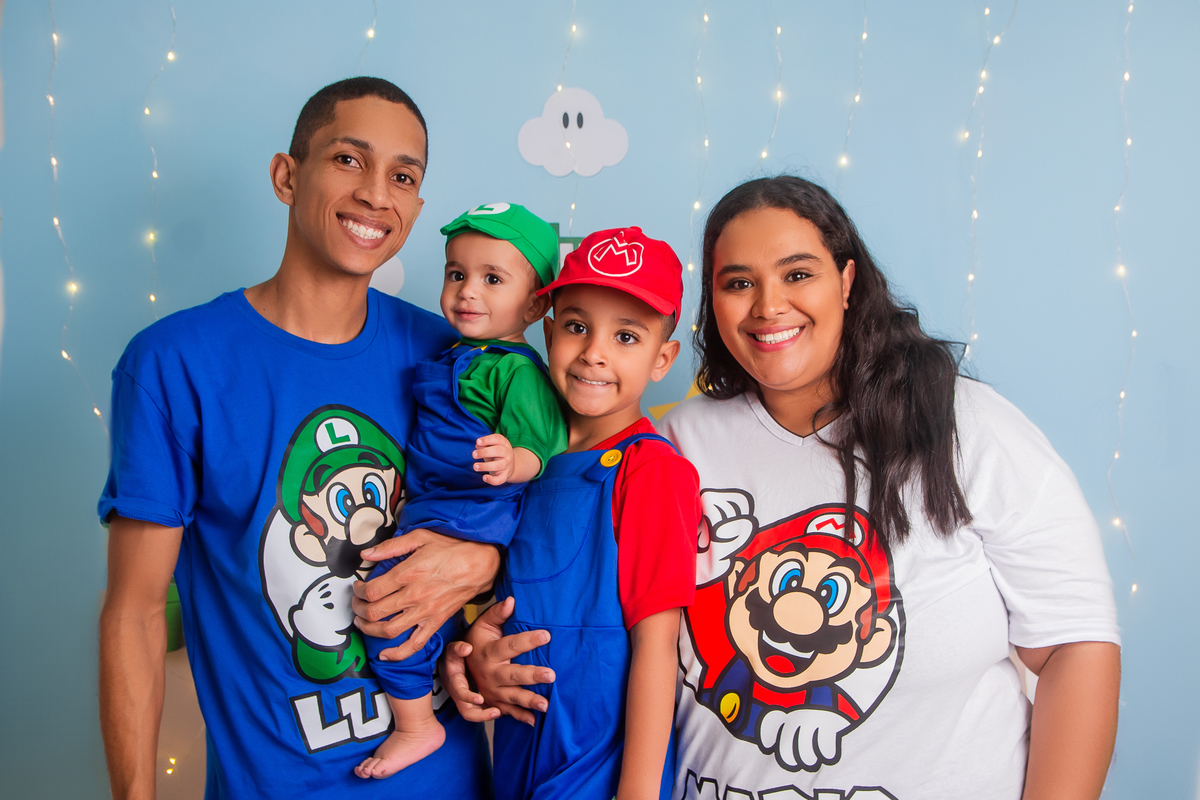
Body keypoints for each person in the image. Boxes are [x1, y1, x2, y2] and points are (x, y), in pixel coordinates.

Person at [445, 178, 1121, 800]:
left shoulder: (966, 426)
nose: (769, 306)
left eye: (798, 274)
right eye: (739, 282)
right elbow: (566, 594)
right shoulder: (671, 443)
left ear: (847, 280)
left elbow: (1075, 646)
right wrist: (480, 659)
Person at [97, 77, 497, 799]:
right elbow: (134, 612)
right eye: (349, 159)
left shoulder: (452, 357)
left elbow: (522, 510)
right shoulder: (174, 363)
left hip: (451, 778)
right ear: (287, 176)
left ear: (416, 206)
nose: (376, 194)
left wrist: (484, 558)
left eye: (403, 177)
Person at [456, 227, 701, 800]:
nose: (594, 352)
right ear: (547, 333)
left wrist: (636, 794)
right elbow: (486, 598)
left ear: (663, 358)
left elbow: (657, 647)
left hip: (597, 768)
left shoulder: (650, 470)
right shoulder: (517, 463)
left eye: (626, 336)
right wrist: (473, 656)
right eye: (576, 326)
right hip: (518, 757)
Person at [355, 203, 568, 778]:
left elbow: (545, 445)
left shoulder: (517, 371)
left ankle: (416, 724)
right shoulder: (452, 354)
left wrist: (514, 460)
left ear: (535, 304)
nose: (468, 291)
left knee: (389, 594)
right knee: (398, 590)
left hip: (477, 508)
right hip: (435, 502)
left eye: (492, 279)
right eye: (457, 274)